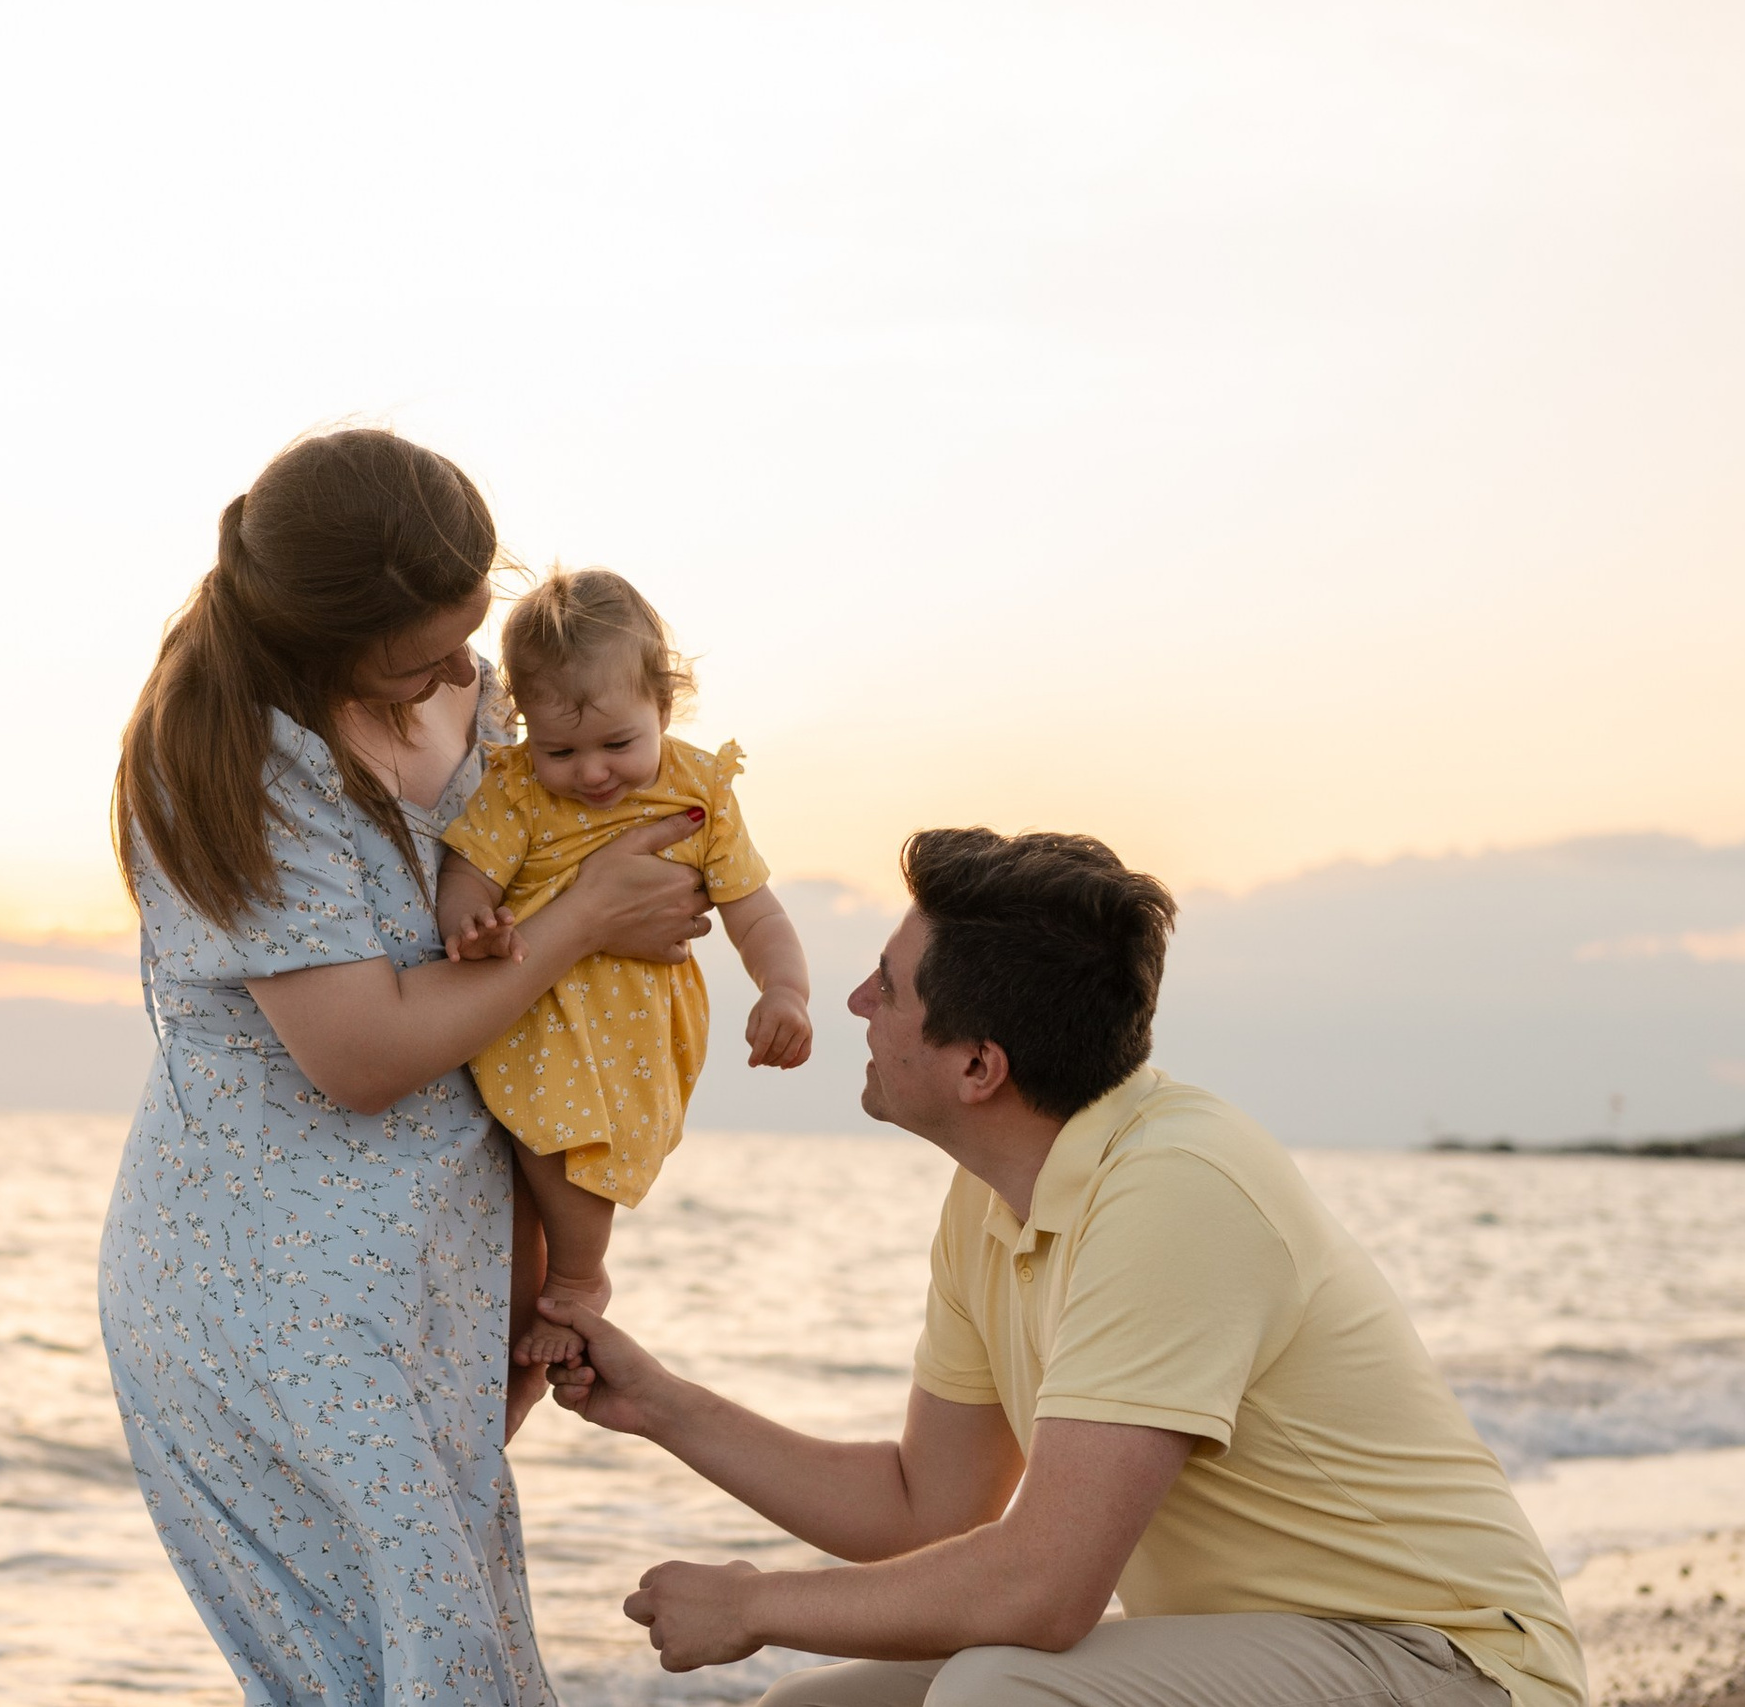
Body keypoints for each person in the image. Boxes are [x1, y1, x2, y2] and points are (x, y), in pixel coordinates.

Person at [548, 827, 1588, 1707]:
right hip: (1280, 1654)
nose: (857, 1002)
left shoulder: (1177, 1186)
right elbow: (923, 1507)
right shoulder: (994, 1194)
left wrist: (756, 1606)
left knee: (998, 1694)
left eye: (889, 984)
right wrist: (658, 1404)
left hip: (1451, 1664)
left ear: (976, 1067)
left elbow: (1045, 1589)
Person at [97, 429, 714, 1707]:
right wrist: (589, 918)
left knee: (448, 1656)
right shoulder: (232, 760)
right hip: (271, 1276)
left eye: (470, 629)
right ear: (323, 637)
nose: (461, 669)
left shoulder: (468, 691)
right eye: (424, 651)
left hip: (434, 1259)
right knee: (417, 1672)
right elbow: (365, 1055)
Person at [435, 568, 814, 1370]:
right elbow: (469, 869)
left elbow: (753, 908)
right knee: (535, 1148)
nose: (592, 772)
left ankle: (577, 1280)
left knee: (577, 1147)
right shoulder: (519, 792)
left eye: (617, 744)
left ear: (664, 709)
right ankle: (545, 1297)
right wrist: (467, 918)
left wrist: (785, 989)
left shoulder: (699, 793)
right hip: (536, 1007)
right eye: (560, 749)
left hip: (635, 1022)